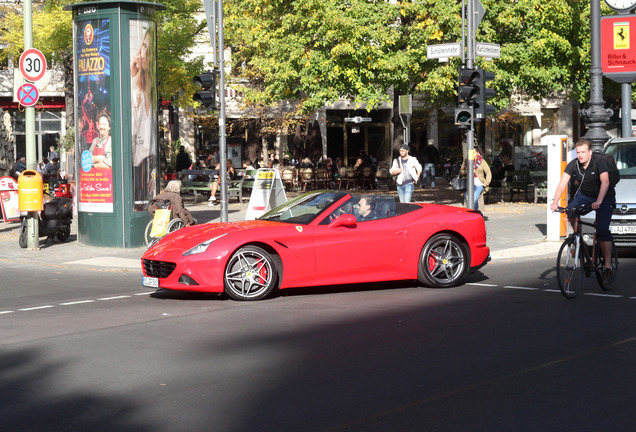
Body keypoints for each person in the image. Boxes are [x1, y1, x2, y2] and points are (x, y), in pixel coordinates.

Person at [550, 138, 616, 284]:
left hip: (604, 197)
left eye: (583, 152)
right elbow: (562, 183)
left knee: (603, 229)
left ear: (590, 152)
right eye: (578, 152)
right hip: (586, 196)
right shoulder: (573, 165)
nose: (580, 155)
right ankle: (577, 238)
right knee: (570, 210)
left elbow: (605, 181)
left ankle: (607, 266)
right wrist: (555, 202)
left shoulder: (598, 161)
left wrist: (598, 201)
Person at [460, 145, 492, 211]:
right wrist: (468, 171)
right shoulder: (466, 161)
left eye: (473, 152)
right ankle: (476, 213)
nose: (472, 154)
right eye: (470, 153)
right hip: (469, 184)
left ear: (477, 152)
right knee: (467, 197)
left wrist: (486, 183)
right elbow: (461, 171)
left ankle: (474, 213)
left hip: (479, 184)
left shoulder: (482, 161)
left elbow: (488, 172)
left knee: (473, 199)